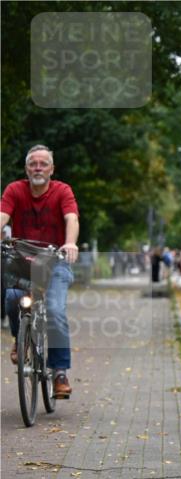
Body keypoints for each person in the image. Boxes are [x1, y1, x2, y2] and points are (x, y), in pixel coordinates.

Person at [0, 144, 80, 399]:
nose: (38, 167)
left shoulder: (62, 191)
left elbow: (72, 218)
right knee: (13, 298)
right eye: (33, 163)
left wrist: (70, 242)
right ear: (26, 168)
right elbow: (2, 215)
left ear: (51, 169)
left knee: (55, 311)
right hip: (22, 260)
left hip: (56, 261)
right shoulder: (15, 190)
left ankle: (59, 373)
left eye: (43, 163)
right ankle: (19, 338)